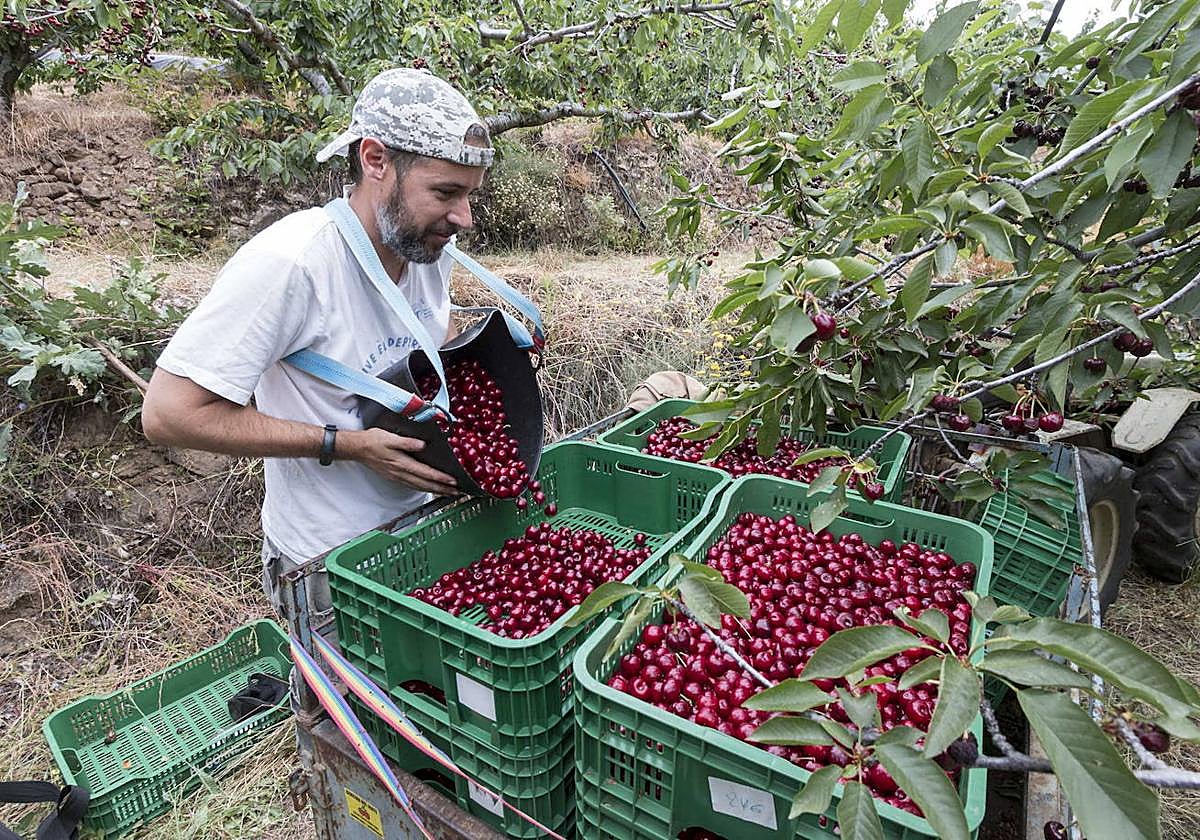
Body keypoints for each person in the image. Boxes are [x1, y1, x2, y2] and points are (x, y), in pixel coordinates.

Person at [142, 68, 495, 616]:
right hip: (330, 562)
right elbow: (169, 415)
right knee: (337, 702)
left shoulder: (425, 249)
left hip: (423, 533)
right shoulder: (291, 264)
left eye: (469, 195)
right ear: (375, 160)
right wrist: (346, 445)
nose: (463, 218)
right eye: (445, 192)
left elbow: (428, 335)